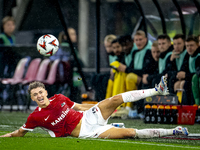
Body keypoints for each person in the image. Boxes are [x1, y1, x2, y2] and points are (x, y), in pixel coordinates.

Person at [0, 76, 189, 138]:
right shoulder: (35, 117)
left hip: (88, 116)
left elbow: (81, 107)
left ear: (45, 92)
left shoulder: (59, 98)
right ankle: (175, 130)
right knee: (131, 133)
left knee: (114, 99)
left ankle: (158, 90)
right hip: (87, 132)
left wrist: (98, 105)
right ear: (33, 99)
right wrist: (4, 136)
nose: (39, 96)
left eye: (41, 92)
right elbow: (20, 133)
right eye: (35, 95)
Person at [175, 35, 200, 105]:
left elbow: (197, 73)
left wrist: (186, 75)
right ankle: (176, 108)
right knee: (176, 83)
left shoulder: (198, 56)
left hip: (195, 80)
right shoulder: (188, 55)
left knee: (185, 84)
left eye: (191, 45)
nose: (189, 48)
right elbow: (182, 69)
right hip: (190, 78)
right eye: (187, 46)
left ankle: (188, 108)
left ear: (197, 45)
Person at [167, 34, 189, 103]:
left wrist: (175, 74)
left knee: (173, 80)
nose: (177, 46)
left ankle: (177, 105)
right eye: (175, 44)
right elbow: (168, 71)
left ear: (184, 43)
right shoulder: (173, 55)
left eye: (179, 44)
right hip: (177, 78)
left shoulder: (187, 54)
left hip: (187, 77)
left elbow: (182, 71)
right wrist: (171, 60)